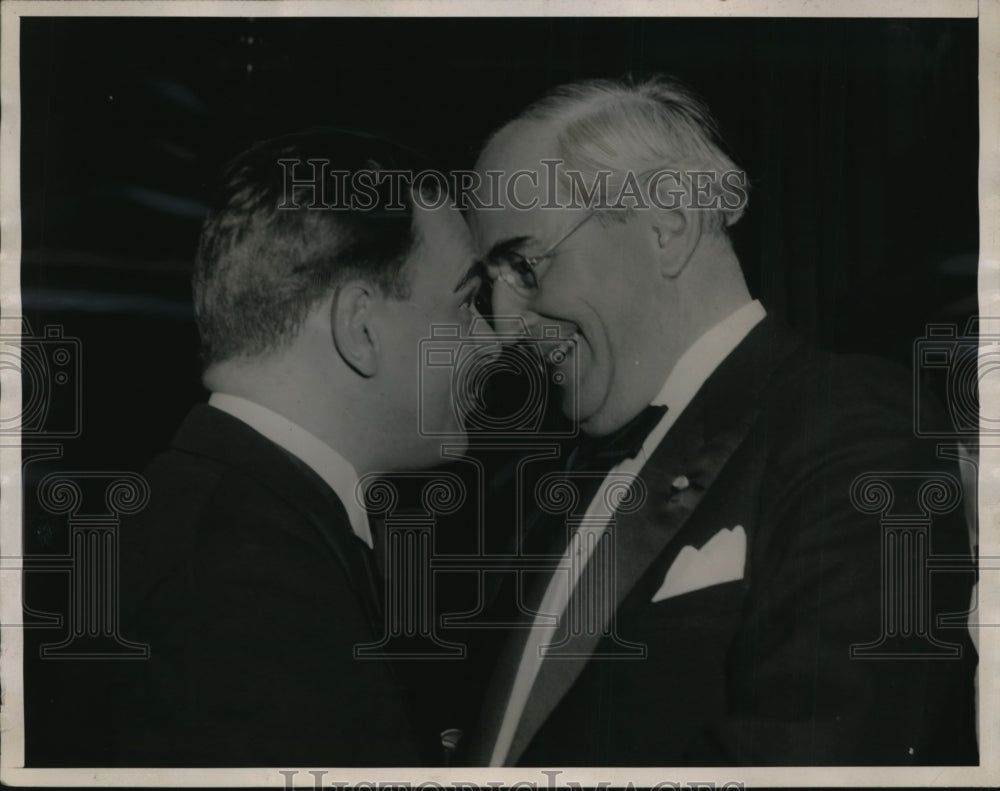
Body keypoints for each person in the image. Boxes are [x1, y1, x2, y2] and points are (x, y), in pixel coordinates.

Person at [463, 76, 978, 766]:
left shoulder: (855, 426)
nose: (502, 324)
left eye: (524, 264)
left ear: (668, 224)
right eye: (488, 282)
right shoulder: (547, 486)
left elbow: (814, 756)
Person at [106, 130, 490, 766]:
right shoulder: (244, 588)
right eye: (466, 303)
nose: (489, 342)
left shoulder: (232, 520)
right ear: (359, 327)